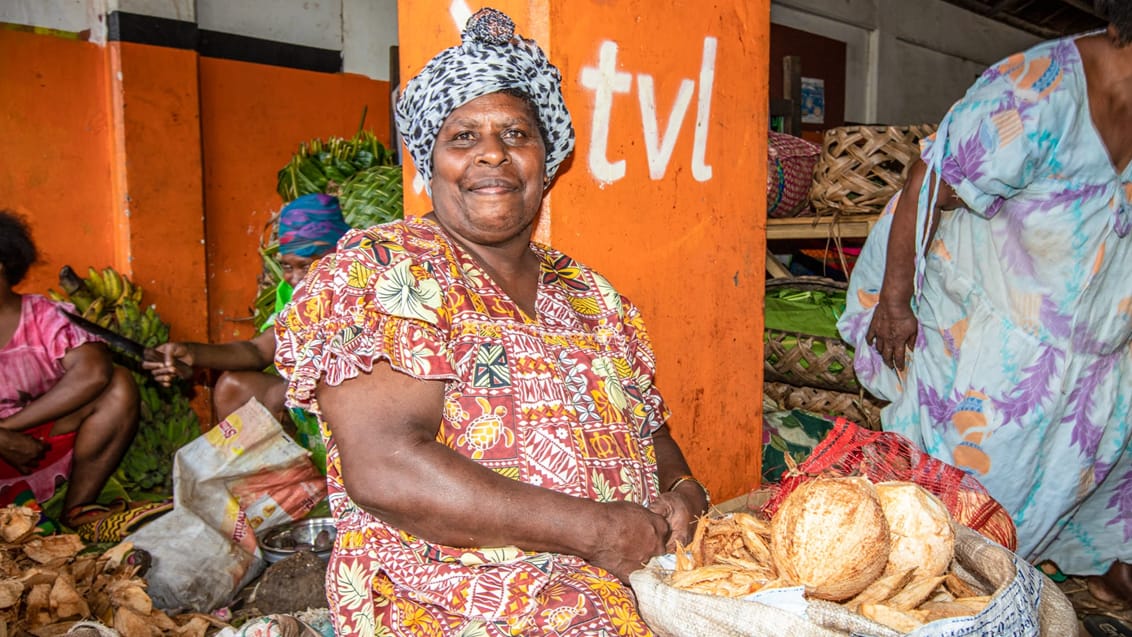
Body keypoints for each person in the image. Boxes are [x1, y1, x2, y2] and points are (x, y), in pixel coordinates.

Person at [274, 8, 708, 636]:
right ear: (431, 161)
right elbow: (388, 466)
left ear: (547, 158)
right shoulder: (384, 272)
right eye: (463, 137)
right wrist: (596, 532)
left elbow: (648, 426)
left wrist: (686, 490)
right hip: (460, 604)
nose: (493, 156)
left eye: (515, 134)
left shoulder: (591, 294)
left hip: (634, 581)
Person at [838, 0, 1132, 608]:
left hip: (1096, 339)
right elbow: (928, 180)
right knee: (977, 492)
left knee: (1097, 474)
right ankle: (937, 593)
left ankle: (1083, 578)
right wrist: (894, 303)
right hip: (994, 333)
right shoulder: (1036, 91)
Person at [144, 193, 351, 426]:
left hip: (355, 396)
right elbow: (258, 350)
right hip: (308, 394)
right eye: (286, 266)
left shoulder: (359, 286)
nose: (294, 277)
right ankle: (285, 463)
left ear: (336, 255)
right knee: (234, 388)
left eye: (304, 265)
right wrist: (191, 353)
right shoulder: (290, 293)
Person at [0, 210, 140, 532]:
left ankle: (76, 510)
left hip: (37, 445)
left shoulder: (43, 316)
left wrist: (9, 429)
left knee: (118, 384)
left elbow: (94, 373)